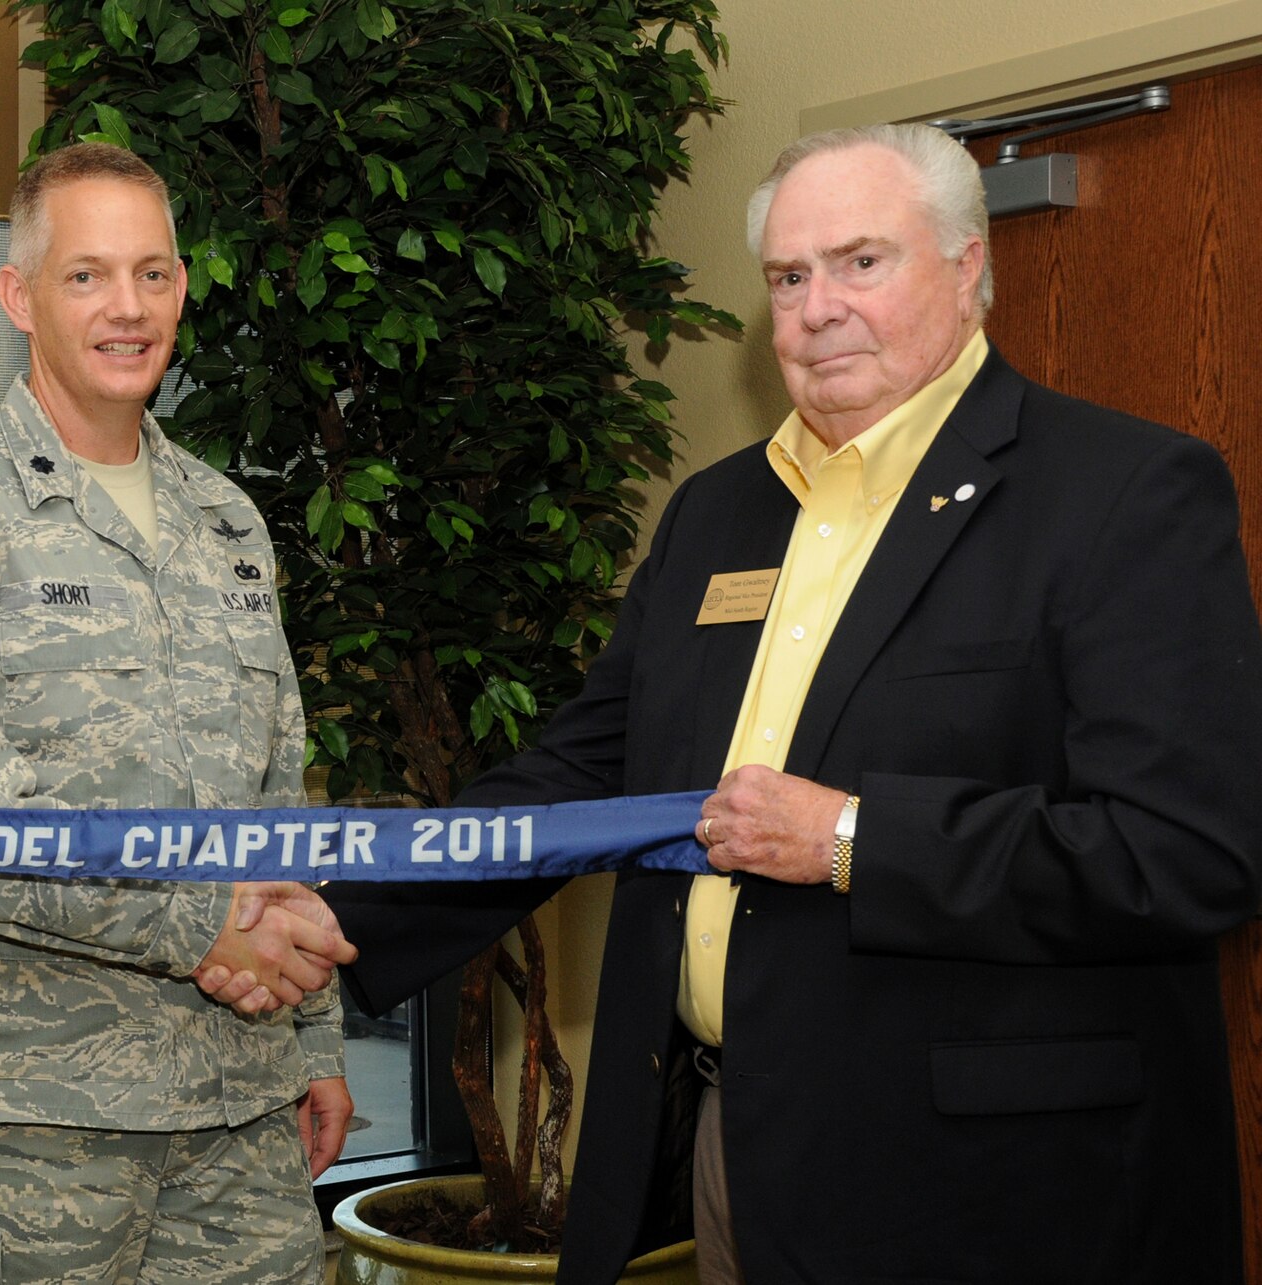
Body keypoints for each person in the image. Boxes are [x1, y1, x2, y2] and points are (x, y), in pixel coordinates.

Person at [322, 124, 1262, 1283]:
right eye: (786, 276)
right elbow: (579, 774)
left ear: (966, 267)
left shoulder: (1120, 493)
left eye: (860, 262)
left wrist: (851, 839)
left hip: (996, 1187)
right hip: (733, 1148)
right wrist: (336, 913)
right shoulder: (715, 515)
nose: (817, 308)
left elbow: (1189, 852)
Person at [0, 141, 357, 1285]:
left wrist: (310, 1036)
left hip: (234, 1100)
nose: (127, 307)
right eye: (85, 276)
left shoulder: (226, 522)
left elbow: (277, 799)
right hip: (18, 1121)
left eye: (151, 273)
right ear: (18, 296)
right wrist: (198, 925)